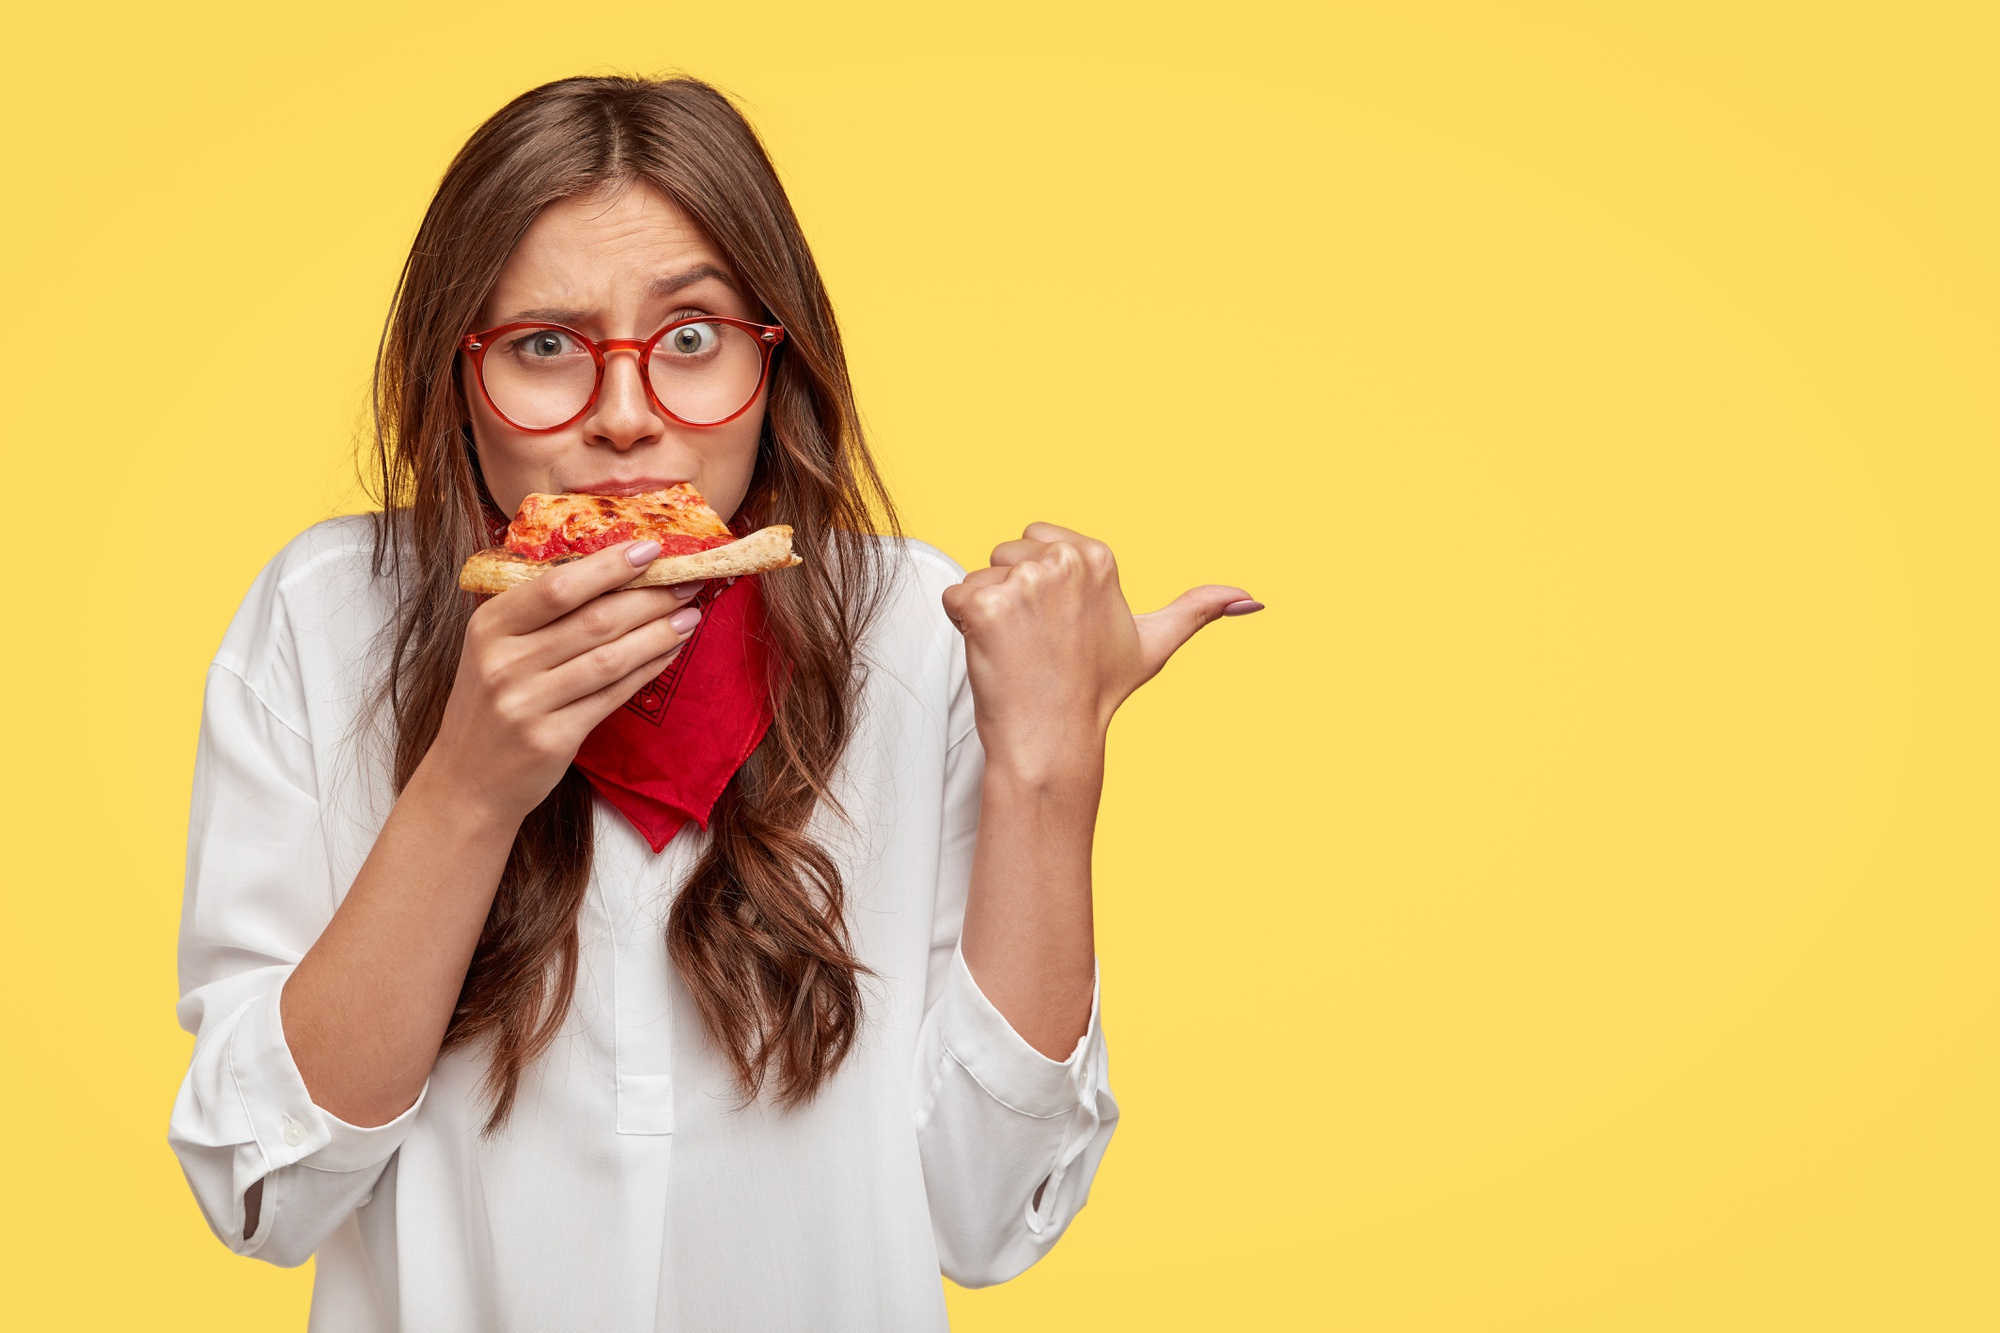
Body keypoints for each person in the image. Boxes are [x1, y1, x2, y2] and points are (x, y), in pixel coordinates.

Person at [168, 75, 1262, 1332]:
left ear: (772, 354)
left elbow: (989, 1216)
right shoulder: (322, 621)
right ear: (455, 380)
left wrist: (1051, 763)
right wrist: (467, 789)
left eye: (690, 339)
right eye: (544, 347)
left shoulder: (923, 632)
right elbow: (264, 1194)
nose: (626, 419)